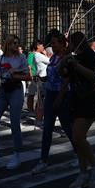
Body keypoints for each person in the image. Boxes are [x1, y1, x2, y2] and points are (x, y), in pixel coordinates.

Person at [0, 34, 31, 171]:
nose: (16, 45)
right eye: (14, 43)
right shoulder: (1, 59)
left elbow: (28, 76)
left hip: (16, 91)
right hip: (3, 91)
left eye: (17, 43)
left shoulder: (21, 58)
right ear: (8, 44)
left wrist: (15, 74)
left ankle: (17, 155)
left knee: (14, 124)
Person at [61, 31, 95, 188]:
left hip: (88, 99)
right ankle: (83, 172)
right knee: (79, 140)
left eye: (70, 42)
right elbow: (64, 75)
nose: (68, 45)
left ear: (76, 42)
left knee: (78, 137)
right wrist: (64, 60)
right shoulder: (74, 56)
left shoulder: (89, 55)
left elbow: (91, 75)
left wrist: (75, 65)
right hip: (76, 99)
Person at [32, 30, 75, 176]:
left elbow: (66, 80)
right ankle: (43, 160)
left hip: (61, 94)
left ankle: (79, 153)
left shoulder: (68, 58)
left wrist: (59, 98)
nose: (52, 45)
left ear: (62, 44)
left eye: (55, 43)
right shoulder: (54, 57)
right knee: (48, 128)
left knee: (67, 127)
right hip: (50, 93)